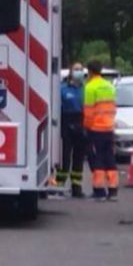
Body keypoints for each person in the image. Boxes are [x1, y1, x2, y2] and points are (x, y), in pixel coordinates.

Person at [83, 59, 119, 201]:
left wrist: (86, 127)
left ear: (90, 71)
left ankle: (99, 190)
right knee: (109, 157)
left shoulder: (90, 87)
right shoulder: (109, 86)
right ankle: (113, 189)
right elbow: (113, 108)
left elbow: (89, 111)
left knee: (96, 158)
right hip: (109, 128)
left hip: (95, 129)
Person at [57, 62, 87, 198]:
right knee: (65, 156)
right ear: (70, 72)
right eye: (76, 69)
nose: (79, 72)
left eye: (80, 69)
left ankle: (76, 187)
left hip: (82, 123)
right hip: (66, 123)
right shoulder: (62, 89)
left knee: (79, 158)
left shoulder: (85, 89)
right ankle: (58, 185)